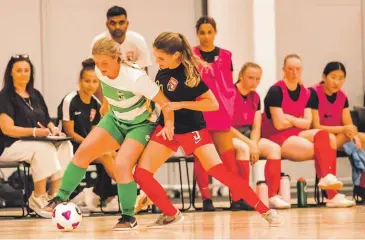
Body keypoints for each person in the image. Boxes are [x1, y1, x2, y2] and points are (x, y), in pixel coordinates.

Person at [134, 32, 283, 228]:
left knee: (221, 173)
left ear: (176, 55)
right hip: (167, 128)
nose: (157, 61)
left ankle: (266, 211)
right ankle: (171, 213)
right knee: (141, 174)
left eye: (160, 57)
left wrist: (181, 104)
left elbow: (212, 104)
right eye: (155, 56)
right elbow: (163, 101)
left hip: (192, 129)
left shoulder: (190, 76)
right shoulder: (162, 71)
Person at [42, 37, 173, 231]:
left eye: (105, 63)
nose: (100, 68)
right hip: (115, 119)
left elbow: (166, 103)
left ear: (116, 58)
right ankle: (60, 197)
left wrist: (169, 124)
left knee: (121, 165)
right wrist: (105, 106)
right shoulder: (98, 71)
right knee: (83, 152)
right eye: (97, 63)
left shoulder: (136, 78)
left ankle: (128, 216)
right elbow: (107, 89)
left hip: (140, 125)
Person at [261, 54, 355, 208]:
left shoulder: (307, 93)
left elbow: (307, 124)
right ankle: (329, 191)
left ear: (301, 70)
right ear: (283, 70)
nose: (294, 72)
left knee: (325, 136)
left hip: (297, 132)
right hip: (276, 136)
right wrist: (297, 121)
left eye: (297, 69)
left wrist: (290, 118)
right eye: (290, 69)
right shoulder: (275, 91)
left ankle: (329, 187)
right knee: (321, 149)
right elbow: (278, 124)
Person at [0, 54, 73, 216]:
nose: (23, 74)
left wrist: (54, 129)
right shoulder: (5, 96)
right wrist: (34, 132)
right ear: (10, 73)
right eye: (19, 70)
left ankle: (55, 196)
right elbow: (7, 129)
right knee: (43, 148)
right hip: (8, 145)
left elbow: (46, 119)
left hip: (35, 141)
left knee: (64, 145)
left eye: (26, 70)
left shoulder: (35, 94)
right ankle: (38, 197)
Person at [192, 16, 241, 211]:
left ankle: (236, 197)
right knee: (201, 156)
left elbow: (229, 86)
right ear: (197, 34)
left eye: (209, 32)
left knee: (228, 156)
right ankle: (206, 199)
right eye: (202, 32)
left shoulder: (227, 56)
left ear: (215, 32)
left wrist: (229, 108)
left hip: (220, 111)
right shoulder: (191, 55)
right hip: (198, 110)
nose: (205, 36)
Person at [57, 58, 118, 211]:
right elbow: (69, 132)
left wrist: (102, 146)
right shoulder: (70, 100)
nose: (91, 85)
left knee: (113, 153)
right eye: (87, 81)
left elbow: (95, 131)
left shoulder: (96, 103)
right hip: (68, 145)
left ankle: (106, 194)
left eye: (94, 82)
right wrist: (91, 146)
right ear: (80, 81)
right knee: (105, 155)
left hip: (86, 144)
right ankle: (120, 190)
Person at [231, 62, 287, 209]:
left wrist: (254, 144)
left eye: (257, 79)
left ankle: (272, 196)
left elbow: (256, 126)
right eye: (250, 77)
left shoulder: (255, 97)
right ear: (241, 76)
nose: (254, 82)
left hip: (249, 135)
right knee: (243, 148)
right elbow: (226, 127)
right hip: (230, 134)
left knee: (274, 148)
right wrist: (250, 144)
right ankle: (242, 197)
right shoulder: (229, 93)